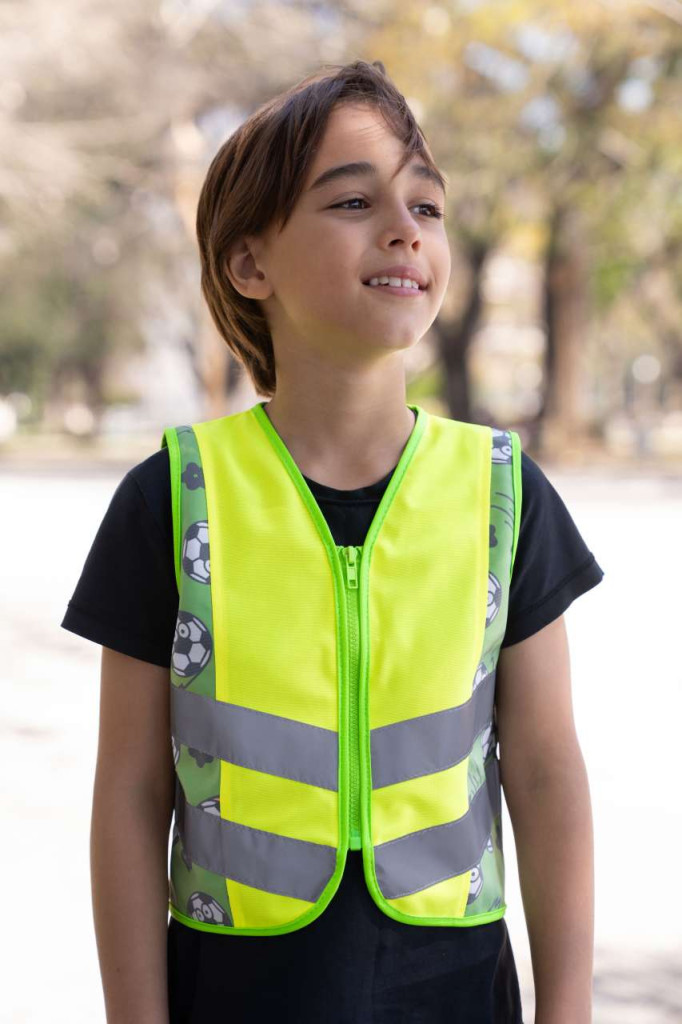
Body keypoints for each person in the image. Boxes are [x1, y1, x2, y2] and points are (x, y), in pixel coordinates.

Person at [61, 60, 604, 1024]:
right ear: (249, 265)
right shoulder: (173, 500)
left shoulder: (503, 494)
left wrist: (569, 1010)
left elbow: (546, 770)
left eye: (426, 206)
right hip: (235, 991)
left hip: (454, 991)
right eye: (354, 201)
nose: (405, 227)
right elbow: (131, 794)